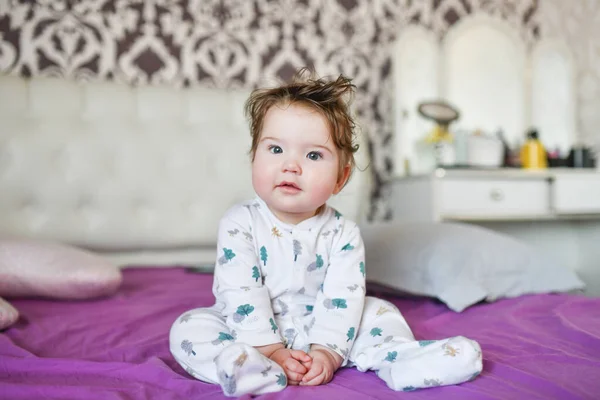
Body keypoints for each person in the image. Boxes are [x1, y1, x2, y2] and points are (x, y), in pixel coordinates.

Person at [169, 69, 482, 397]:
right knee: (189, 328)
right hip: (247, 331)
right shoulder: (239, 222)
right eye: (275, 150)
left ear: (341, 178)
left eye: (313, 154)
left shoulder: (343, 233)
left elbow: (343, 298)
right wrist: (272, 349)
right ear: (253, 158)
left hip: (323, 325)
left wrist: (328, 353)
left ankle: (407, 362)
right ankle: (248, 368)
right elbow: (241, 292)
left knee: (380, 312)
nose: (291, 165)